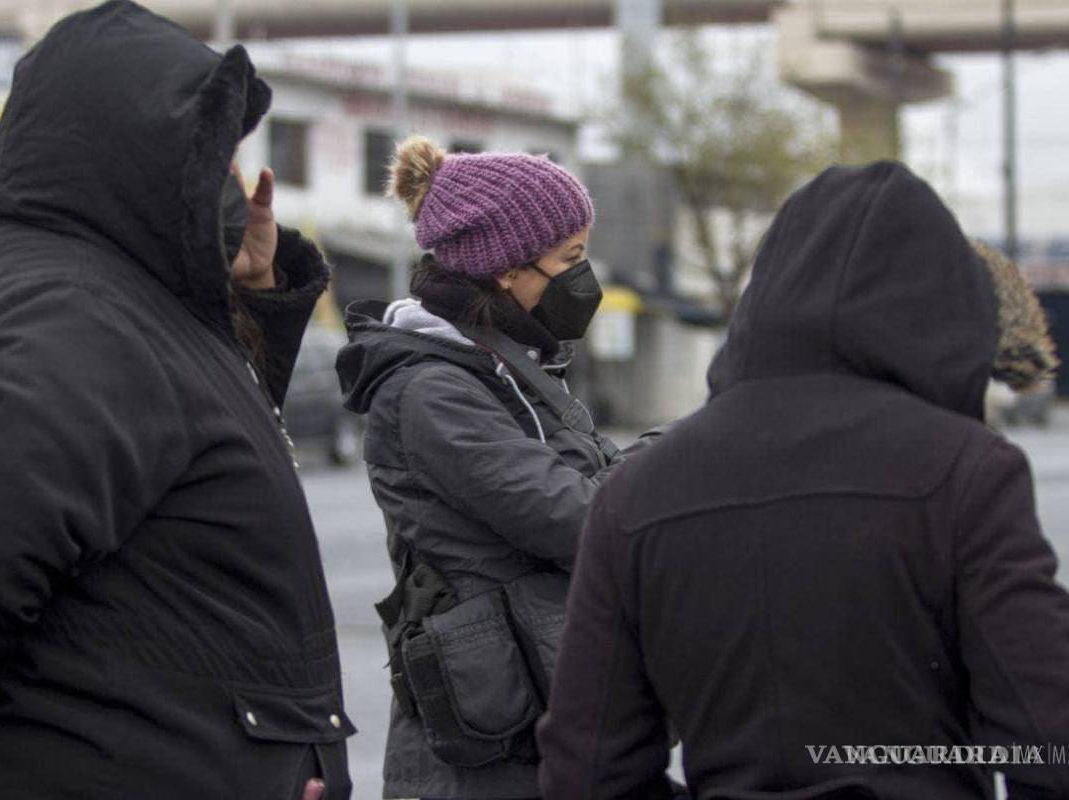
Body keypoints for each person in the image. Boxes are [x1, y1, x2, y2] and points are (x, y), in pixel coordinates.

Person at [0, 2, 351, 798]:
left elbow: (188, 462)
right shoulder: (74, 313)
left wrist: (253, 297)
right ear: (131, 150)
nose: (230, 180)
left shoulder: (121, 294)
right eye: (210, 153)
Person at [538, 161, 1069, 799]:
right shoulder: (966, 471)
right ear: (946, 312)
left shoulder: (634, 493)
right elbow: (1049, 740)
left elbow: (587, 773)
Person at [336, 136, 665, 800]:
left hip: (538, 711)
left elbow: (599, 482)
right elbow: (577, 517)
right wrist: (692, 454)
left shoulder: (509, 369)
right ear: (507, 270)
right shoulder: (431, 392)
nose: (584, 276)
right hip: (483, 756)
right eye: (570, 258)